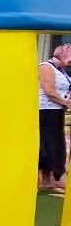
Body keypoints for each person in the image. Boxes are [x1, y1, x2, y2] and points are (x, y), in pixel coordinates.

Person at [38, 45, 71, 194]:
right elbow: (49, 90)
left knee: (56, 144)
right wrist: (65, 102)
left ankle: (50, 178)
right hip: (45, 110)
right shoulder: (46, 67)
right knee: (48, 144)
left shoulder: (62, 71)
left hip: (57, 110)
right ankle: (50, 178)